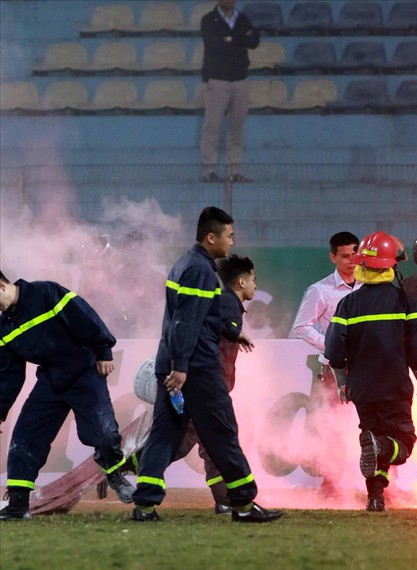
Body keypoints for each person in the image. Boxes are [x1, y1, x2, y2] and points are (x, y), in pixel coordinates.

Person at [130, 206, 282, 523]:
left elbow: (201, 315)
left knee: (164, 436)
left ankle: (144, 505)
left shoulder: (185, 265)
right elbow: (186, 321)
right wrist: (182, 367)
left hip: (174, 364)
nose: (231, 242)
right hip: (196, 369)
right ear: (211, 237)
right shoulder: (200, 270)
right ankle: (242, 504)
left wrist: (231, 332)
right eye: (229, 236)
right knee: (223, 433)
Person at [0, 270, 135, 521]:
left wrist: (103, 350)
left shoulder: (45, 292)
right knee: (25, 439)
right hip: (50, 381)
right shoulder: (4, 327)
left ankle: (114, 474)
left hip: (85, 372)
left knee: (104, 432)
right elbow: (9, 375)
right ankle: (18, 505)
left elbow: (83, 316)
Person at [324, 232, 417, 513]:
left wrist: (341, 384)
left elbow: (335, 352)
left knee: (372, 444)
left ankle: (375, 499)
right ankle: (382, 447)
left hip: (362, 390)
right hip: (394, 388)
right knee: (402, 443)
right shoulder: (406, 303)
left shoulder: (347, 304)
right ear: (391, 266)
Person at [172, 254, 257, 515]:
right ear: (242, 281)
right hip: (208, 387)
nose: (256, 285)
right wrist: (235, 332)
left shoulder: (225, 302)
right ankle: (123, 466)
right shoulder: (228, 303)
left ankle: (223, 500)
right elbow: (219, 326)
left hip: (207, 385)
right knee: (199, 441)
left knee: (207, 444)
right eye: (254, 279)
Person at [290, 231, 361, 497]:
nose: (351, 260)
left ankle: (378, 481)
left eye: (355, 253)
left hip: (365, 367)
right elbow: (301, 326)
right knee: (334, 426)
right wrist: (331, 346)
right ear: (333, 257)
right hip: (334, 369)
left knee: (372, 422)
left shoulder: (369, 288)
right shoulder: (320, 290)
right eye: (345, 256)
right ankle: (331, 483)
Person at [200, 0, 259, 184]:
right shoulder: (209, 20)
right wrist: (239, 38)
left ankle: (234, 171)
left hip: (241, 79)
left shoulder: (243, 18)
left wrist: (230, 39)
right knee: (212, 126)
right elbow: (214, 45)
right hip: (217, 79)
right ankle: (208, 171)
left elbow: (254, 41)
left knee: (237, 127)